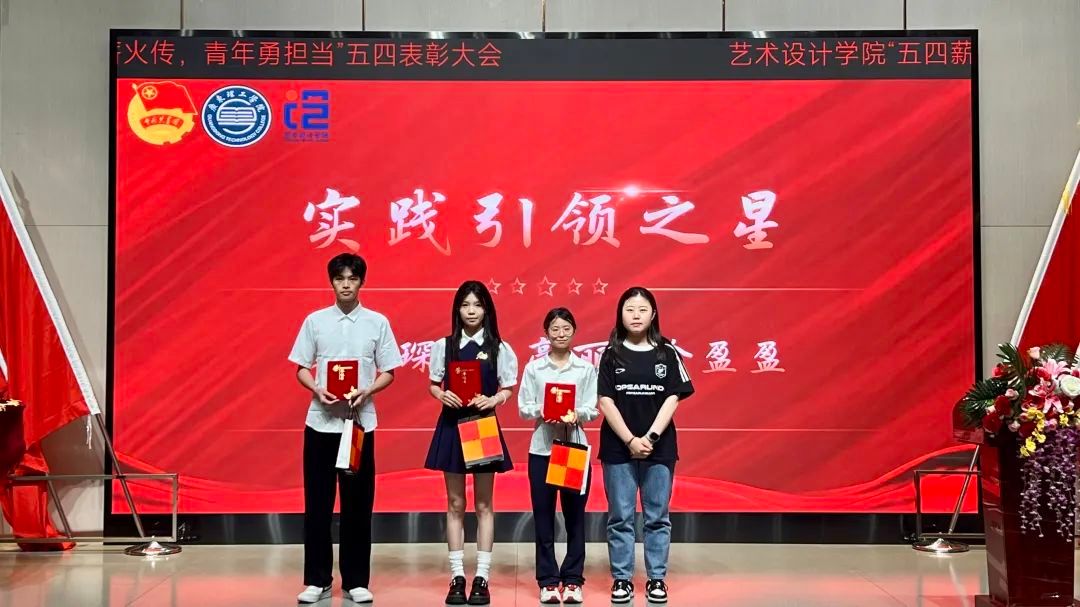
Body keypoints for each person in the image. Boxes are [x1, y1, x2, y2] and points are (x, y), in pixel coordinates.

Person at [289, 253, 403, 604]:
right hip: (320, 423)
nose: (346, 284)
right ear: (332, 282)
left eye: (352, 278)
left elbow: (389, 371)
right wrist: (316, 388)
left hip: (358, 426)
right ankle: (317, 580)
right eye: (340, 278)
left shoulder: (377, 322)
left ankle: (355, 580)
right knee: (318, 503)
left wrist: (368, 390)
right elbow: (301, 367)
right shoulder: (315, 321)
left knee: (357, 503)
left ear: (361, 282)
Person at [597, 287, 694, 605]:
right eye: (629, 309)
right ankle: (622, 579)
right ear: (620, 315)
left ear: (653, 314)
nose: (636, 315)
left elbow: (673, 397)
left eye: (642, 310)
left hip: (659, 448)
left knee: (657, 516)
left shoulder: (667, 352)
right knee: (620, 517)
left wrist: (650, 437)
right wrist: (629, 439)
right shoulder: (610, 354)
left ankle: (656, 579)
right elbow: (605, 401)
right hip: (617, 448)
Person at [424, 280, 518, 605]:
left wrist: (494, 400)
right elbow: (433, 384)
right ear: (457, 310)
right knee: (455, 504)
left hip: (482, 426)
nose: (471, 311)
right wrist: (441, 394)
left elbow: (508, 388)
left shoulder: (499, 348)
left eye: (477, 305)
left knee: (483, 505)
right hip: (452, 426)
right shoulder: (444, 345)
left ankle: (482, 576)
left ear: (486, 309)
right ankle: (457, 577)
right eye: (465, 305)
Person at [518, 307, 598, 605]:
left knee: (575, 516)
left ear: (574, 331)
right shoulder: (535, 368)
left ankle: (574, 579)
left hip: (573, 448)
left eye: (566, 328)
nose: (560, 334)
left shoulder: (585, 369)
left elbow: (592, 407)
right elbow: (523, 407)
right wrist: (543, 410)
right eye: (555, 329)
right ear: (546, 333)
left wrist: (577, 414)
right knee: (543, 517)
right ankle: (548, 581)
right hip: (542, 450)